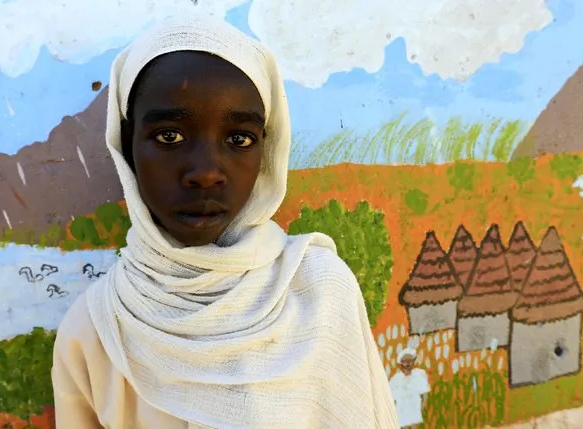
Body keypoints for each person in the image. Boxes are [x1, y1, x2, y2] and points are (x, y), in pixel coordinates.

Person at [50, 18, 398, 429]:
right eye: (169, 137)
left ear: (266, 152)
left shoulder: (318, 292)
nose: (207, 173)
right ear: (126, 147)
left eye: (239, 140)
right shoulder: (93, 332)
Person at [388, 348, 430, 428]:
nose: (407, 363)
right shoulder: (396, 378)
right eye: (404, 361)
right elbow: (390, 395)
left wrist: (423, 406)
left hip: (414, 406)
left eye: (410, 360)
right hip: (402, 408)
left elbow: (425, 392)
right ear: (401, 363)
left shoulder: (419, 374)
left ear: (413, 361)